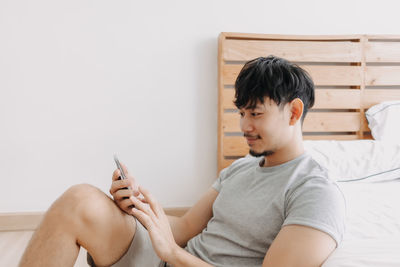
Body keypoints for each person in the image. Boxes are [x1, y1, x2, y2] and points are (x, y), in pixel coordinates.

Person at [19, 55, 346, 267]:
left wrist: (173, 255)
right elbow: (185, 227)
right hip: (170, 260)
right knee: (80, 200)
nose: (244, 126)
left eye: (256, 114)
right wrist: (140, 208)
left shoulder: (315, 191)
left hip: (176, 261)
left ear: (294, 111)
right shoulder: (240, 169)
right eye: (242, 113)